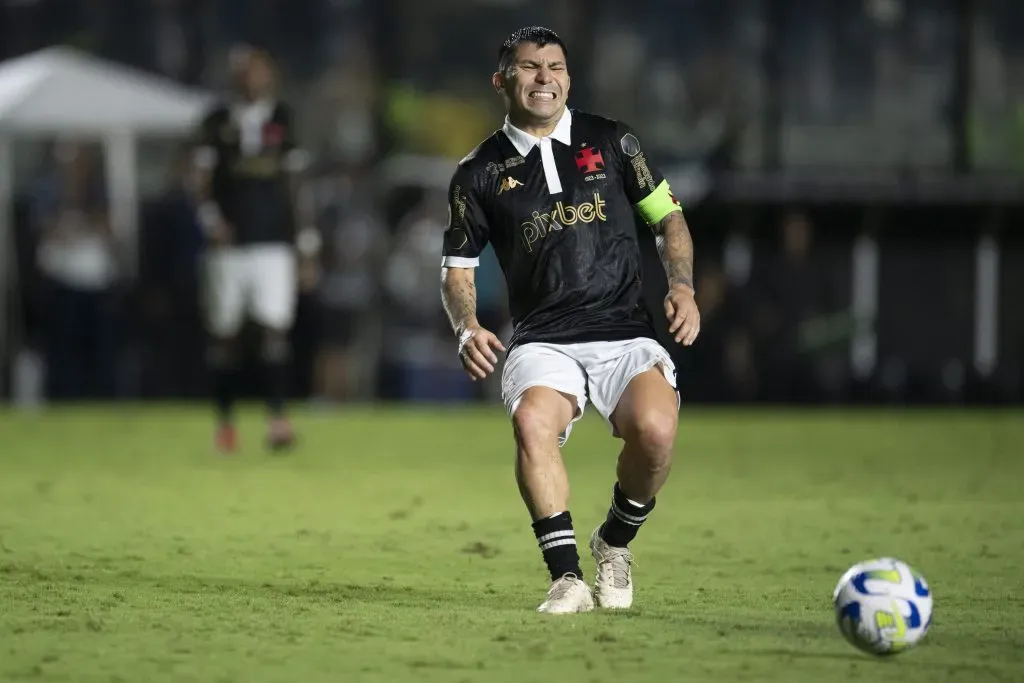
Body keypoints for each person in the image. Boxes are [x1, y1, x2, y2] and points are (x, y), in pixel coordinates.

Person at [439, 27, 701, 614]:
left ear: (568, 77)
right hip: (543, 338)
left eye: (554, 66)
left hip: (625, 330)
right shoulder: (477, 173)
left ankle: (614, 543)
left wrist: (681, 284)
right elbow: (456, 271)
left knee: (656, 434)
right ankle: (566, 578)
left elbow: (669, 218)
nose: (543, 78)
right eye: (529, 67)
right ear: (502, 81)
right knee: (533, 421)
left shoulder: (612, 141)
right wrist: (466, 326)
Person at [191, 46, 319, 454]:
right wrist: (212, 221)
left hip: (273, 244)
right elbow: (200, 178)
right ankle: (225, 424)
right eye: (244, 72)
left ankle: (278, 419)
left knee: (274, 329)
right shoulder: (216, 121)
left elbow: (297, 184)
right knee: (225, 334)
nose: (252, 79)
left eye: (259, 72)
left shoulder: (283, 119)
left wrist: (306, 242)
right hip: (228, 248)